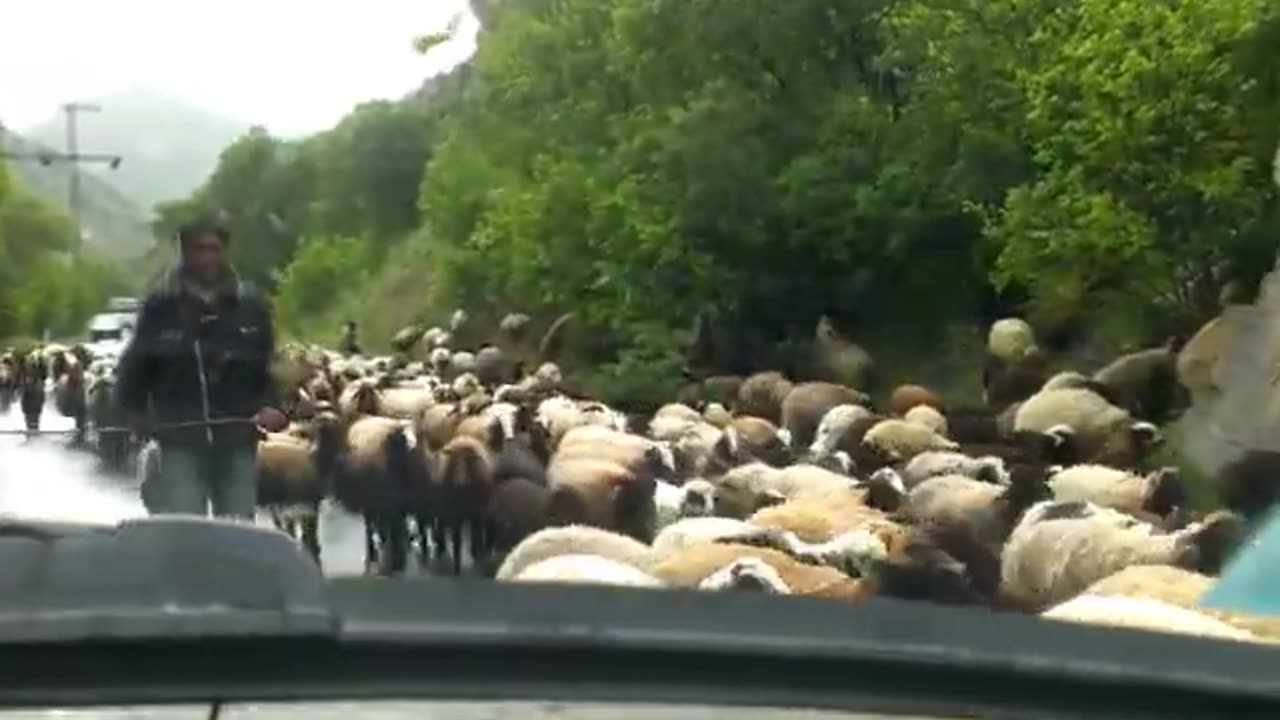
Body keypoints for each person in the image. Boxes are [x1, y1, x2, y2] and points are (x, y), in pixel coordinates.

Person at [115, 218, 287, 519]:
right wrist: (134, 414)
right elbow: (136, 366)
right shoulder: (161, 307)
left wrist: (273, 405)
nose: (208, 257)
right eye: (200, 249)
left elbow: (267, 364)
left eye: (215, 249)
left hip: (238, 437)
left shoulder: (251, 306)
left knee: (238, 530)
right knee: (188, 527)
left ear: (224, 253)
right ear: (185, 253)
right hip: (180, 439)